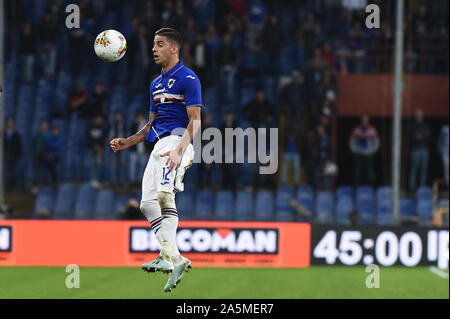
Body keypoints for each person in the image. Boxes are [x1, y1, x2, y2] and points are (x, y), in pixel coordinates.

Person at [110, 28, 201, 293]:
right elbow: (151, 124)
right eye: (153, 45)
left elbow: (195, 120)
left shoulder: (188, 78)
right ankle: (176, 259)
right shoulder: (155, 84)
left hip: (178, 143)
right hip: (159, 147)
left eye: (159, 44)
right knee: (147, 205)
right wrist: (128, 141)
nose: (153, 49)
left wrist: (179, 149)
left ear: (174, 48)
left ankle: (163, 256)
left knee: (164, 196)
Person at [349, 114, 380, 187]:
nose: (364, 122)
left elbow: (376, 141)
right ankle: (355, 188)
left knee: (370, 172)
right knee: (357, 172)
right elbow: (352, 140)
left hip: (369, 153)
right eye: (363, 120)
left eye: (366, 120)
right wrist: (354, 149)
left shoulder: (372, 129)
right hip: (359, 153)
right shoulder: (357, 129)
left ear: (368, 121)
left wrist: (374, 150)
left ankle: (372, 188)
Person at [408, 109, 431, 190]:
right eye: (417, 114)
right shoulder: (413, 125)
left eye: (420, 114)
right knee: (414, 168)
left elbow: (427, 135)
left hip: (424, 149)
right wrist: (420, 135)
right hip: (415, 149)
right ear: (415, 116)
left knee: (424, 169)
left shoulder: (426, 124)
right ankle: (412, 188)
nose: (419, 116)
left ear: (422, 115)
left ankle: (422, 187)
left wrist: (420, 135)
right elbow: (413, 135)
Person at [3, 118, 23, 190]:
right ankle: (7, 186)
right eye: (9, 122)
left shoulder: (16, 134)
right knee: (7, 171)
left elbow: (19, 145)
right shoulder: (4, 133)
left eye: (11, 122)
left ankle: (13, 185)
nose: (10, 124)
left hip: (14, 155)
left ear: (13, 124)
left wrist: (19, 155)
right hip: (6, 155)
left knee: (13, 170)